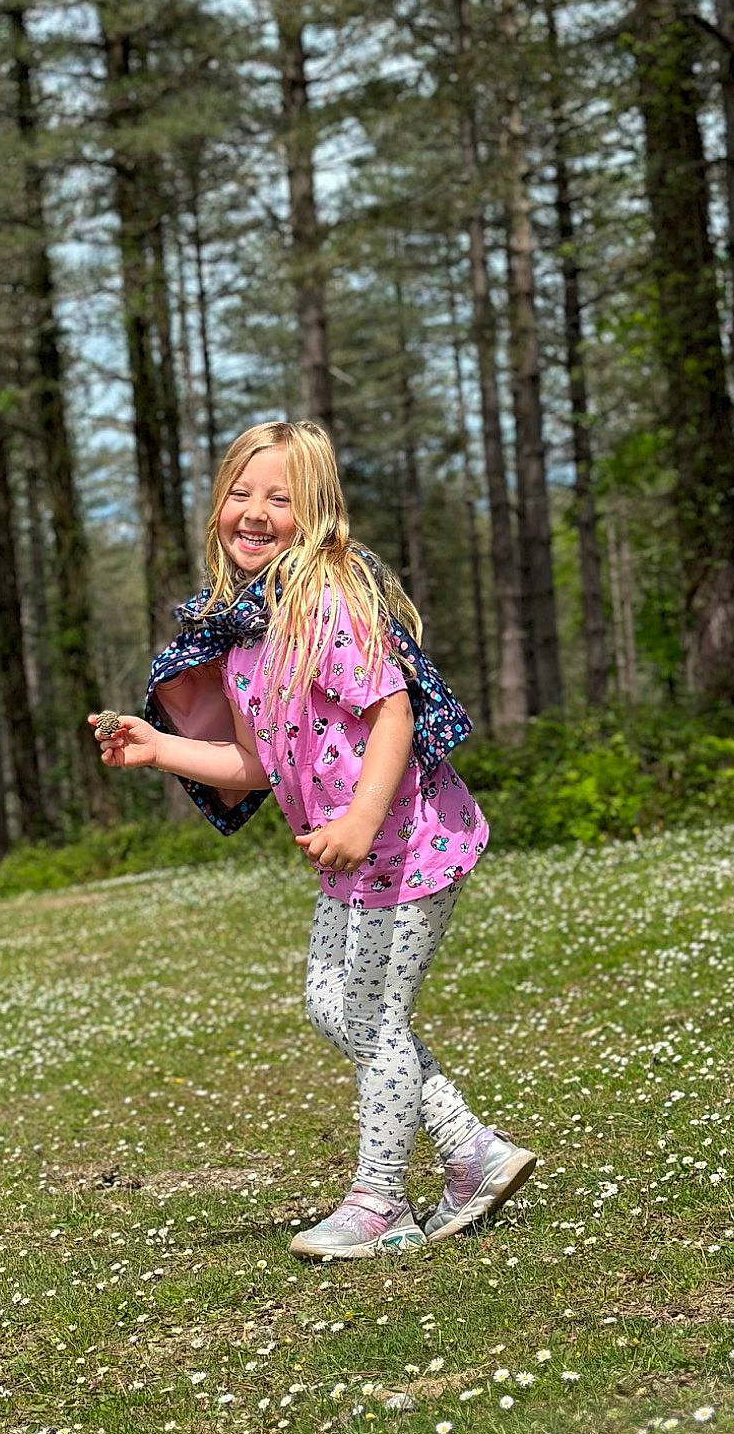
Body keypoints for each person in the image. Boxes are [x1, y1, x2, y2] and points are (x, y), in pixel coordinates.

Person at [90, 419, 537, 1261]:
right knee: (333, 1007)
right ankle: (473, 1152)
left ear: (318, 513)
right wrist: (157, 750)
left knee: (371, 1017)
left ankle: (381, 1206)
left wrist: (364, 819)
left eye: (280, 499)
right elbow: (254, 762)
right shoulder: (247, 632)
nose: (254, 513)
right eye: (241, 493)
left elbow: (392, 709)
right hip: (354, 860)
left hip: (407, 844)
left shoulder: (325, 600)